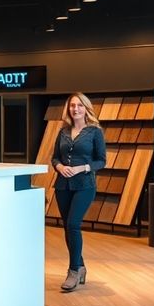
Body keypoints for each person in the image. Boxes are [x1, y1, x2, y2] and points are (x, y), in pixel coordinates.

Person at [51, 92, 107, 292]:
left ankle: (73, 270)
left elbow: (101, 161)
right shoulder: (63, 131)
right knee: (68, 227)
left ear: (86, 108)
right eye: (72, 106)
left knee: (73, 224)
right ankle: (81, 267)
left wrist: (82, 167)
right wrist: (58, 167)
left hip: (85, 185)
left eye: (79, 106)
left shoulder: (95, 132)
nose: (75, 109)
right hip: (62, 186)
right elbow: (55, 157)